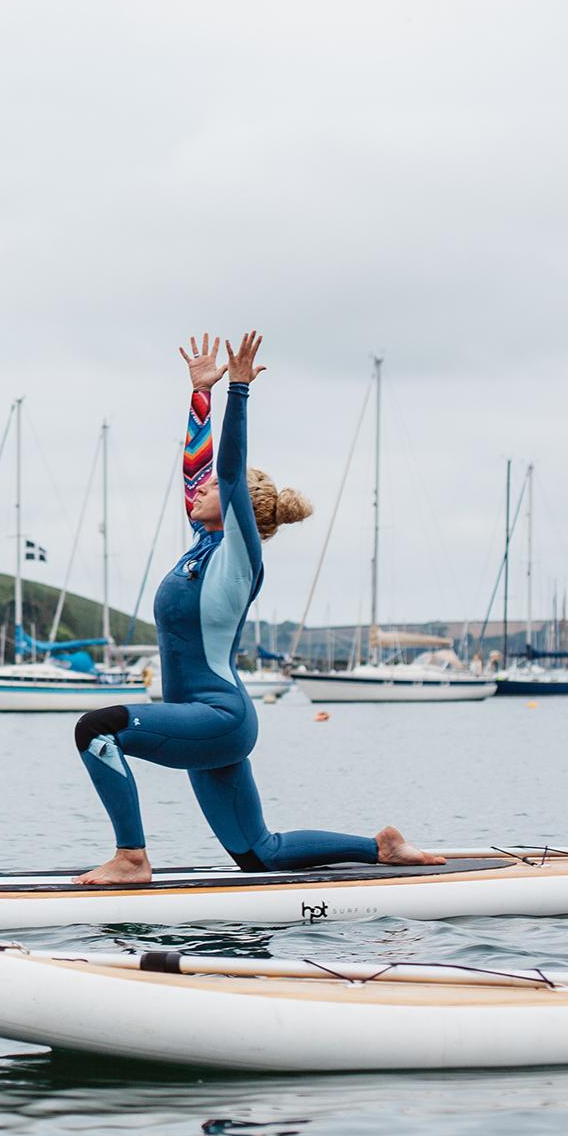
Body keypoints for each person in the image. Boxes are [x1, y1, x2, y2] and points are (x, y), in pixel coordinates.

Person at [74, 331, 442, 885]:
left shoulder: (236, 557)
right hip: (203, 725)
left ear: (237, 502)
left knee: (97, 730)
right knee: (260, 854)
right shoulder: (202, 545)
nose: (195, 492)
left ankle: (131, 859)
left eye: (213, 489)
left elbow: (224, 469)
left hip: (218, 717)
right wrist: (200, 395)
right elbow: (198, 469)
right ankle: (381, 848)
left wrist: (238, 392)